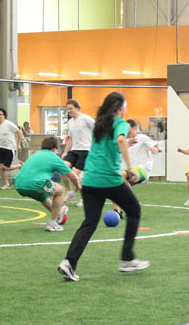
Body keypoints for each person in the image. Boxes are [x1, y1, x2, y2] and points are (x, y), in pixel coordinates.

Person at [57, 92, 149, 282]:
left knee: (89, 223)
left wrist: (123, 144)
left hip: (90, 180)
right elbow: (120, 140)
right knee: (134, 210)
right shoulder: (120, 124)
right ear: (119, 107)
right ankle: (127, 258)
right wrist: (130, 168)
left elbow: (112, 143)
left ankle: (69, 262)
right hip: (109, 179)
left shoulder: (99, 124)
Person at [16, 136, 81, 232]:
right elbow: (74, 177)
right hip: (36, 184)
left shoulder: (35, 154)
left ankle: (58, 213)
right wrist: (79, 187)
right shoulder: (53, 157)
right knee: (61, 190)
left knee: (43, 195)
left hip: (19, 184)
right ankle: (52, 223)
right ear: (55, 149)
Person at [61, 99, 94, 207]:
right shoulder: (70, 122)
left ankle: (84, 197)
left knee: (74, 175)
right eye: (67, 109)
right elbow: (70, 139)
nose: (69, 111)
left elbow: (98, 130)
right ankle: (70, 192)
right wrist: (65, 152)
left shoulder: (86, 119)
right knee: (63, 169)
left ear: (77, 108)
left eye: (70, 108)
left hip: (86, 151)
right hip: (74, 150)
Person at [0, 107, 22, 189]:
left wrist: (18, 144)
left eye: (0, 114)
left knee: (6, 168)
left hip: (10, 148)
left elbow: (19, 132)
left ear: (4, 116)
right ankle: (7, 184)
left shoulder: (8, 124)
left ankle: (20, 165)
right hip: (1, 148)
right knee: (0, 166)